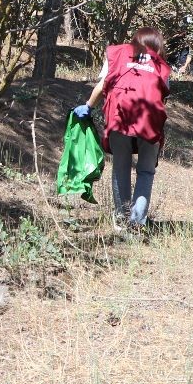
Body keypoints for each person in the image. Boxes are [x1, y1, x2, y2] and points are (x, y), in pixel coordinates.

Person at [73, 27, 171, 234]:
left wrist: (88, 106)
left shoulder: (117, 54)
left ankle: (121, 221)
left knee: (121, 168)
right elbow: (161, 97)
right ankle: (137, 223)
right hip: (150, 122)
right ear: (157, 45)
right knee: (145, 171)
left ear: (134, 40)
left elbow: (102, 86)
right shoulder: (161, 66)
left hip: (120, 118)